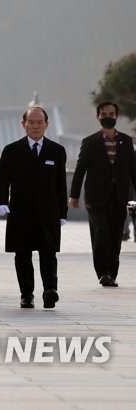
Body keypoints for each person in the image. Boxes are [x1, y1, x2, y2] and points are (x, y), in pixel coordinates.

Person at [0, 106, 68, 309]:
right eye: (31, 122)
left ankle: (50, 290)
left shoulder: (57, 151)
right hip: (21, 211)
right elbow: (1, 180)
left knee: (48, 253)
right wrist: (0, 202)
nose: (35, 126)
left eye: (39, 122)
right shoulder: (12, 151)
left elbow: (61, 185)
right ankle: (26, 294)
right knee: (23, 254)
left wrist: (62, 212)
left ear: (46, 124)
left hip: (48, 212)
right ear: (23, 124)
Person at [69, 100, 134, 287]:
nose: (108, 117)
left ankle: (112, 273)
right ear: (98, 117)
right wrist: (74, 196)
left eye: (111, 114)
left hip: (119, 197)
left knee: (115, 235)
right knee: (101, 232)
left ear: (117, 116)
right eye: (104, 114)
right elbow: (80, 169)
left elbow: (133, 170)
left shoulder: (126, 141)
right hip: (96, 198)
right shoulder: (90, 142)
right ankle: (103, 272)